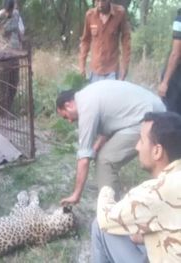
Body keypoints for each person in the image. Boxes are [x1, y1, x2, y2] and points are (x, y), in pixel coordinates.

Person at [57, 80, 165, 206]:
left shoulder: (86, 108)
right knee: (103, 155)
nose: (69, 121)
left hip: (147, 118)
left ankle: (111, 214)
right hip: (153, 109)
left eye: (66, 116)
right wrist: (97, 146)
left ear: (68, 105)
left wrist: (76, 194)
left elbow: (83, 159)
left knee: (105, 160)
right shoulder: (88, 94)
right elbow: (113, 119)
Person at [92, 111, 181, 263]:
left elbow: (105, 219)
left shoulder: (156, 192)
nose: (137, 147)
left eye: (141, 140)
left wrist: (106, 189)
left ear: (157, 151)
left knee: (99, 226)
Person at [79, 0, 131, 83]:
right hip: (95, 71)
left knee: (111, 95)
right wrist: (82, 66)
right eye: (97, 1)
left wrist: (125, 66)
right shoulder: (90, 15)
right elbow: (85, 41)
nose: (100, 4)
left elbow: (126, 40)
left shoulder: (120, 13)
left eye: (103, 1)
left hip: (112, 72)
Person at [158, 8, 181, 114]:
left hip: (176, 78)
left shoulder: (179, 20)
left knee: (171, 117)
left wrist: (165, 82)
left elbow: (176, 53)